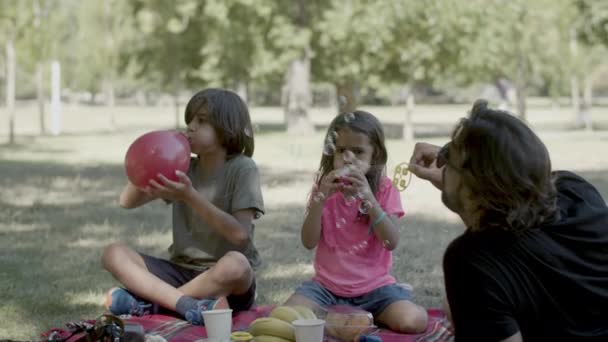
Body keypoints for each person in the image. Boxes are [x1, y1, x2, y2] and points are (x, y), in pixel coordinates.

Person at [408, 100, 608, 341]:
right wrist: (461, 184)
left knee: (460, 302)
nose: (442, 159)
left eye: (449, 156)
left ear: (476, 188)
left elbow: (489, 256)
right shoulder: (575, 190)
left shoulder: (468, 261)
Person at [101, 88, 264, 325]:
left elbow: (240, 236)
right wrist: (151, 157)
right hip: (180, 271)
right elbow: (127, 201)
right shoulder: (183, 166)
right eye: (189, 121)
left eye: (201, 120)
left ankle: (155, 305)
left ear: (226, 127)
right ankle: (187, 305)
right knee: (113, 254)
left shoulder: (243, 168)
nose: (191, 127)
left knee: (237, 265)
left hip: (225, 280)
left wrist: (190, 196)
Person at [285, 110, 428, 333]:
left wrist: (368, 198)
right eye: (342, 150)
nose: (348, 158)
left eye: (359, 152)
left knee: (413, 321)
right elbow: (308, 241)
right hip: (326, 288)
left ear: (375, 155)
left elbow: (391, 241)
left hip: (375, 289)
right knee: (287, 316)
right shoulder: (323, 190)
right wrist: (320, 199)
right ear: (331, 153)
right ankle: (351, 320)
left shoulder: (384, 188)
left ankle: (347, 318)